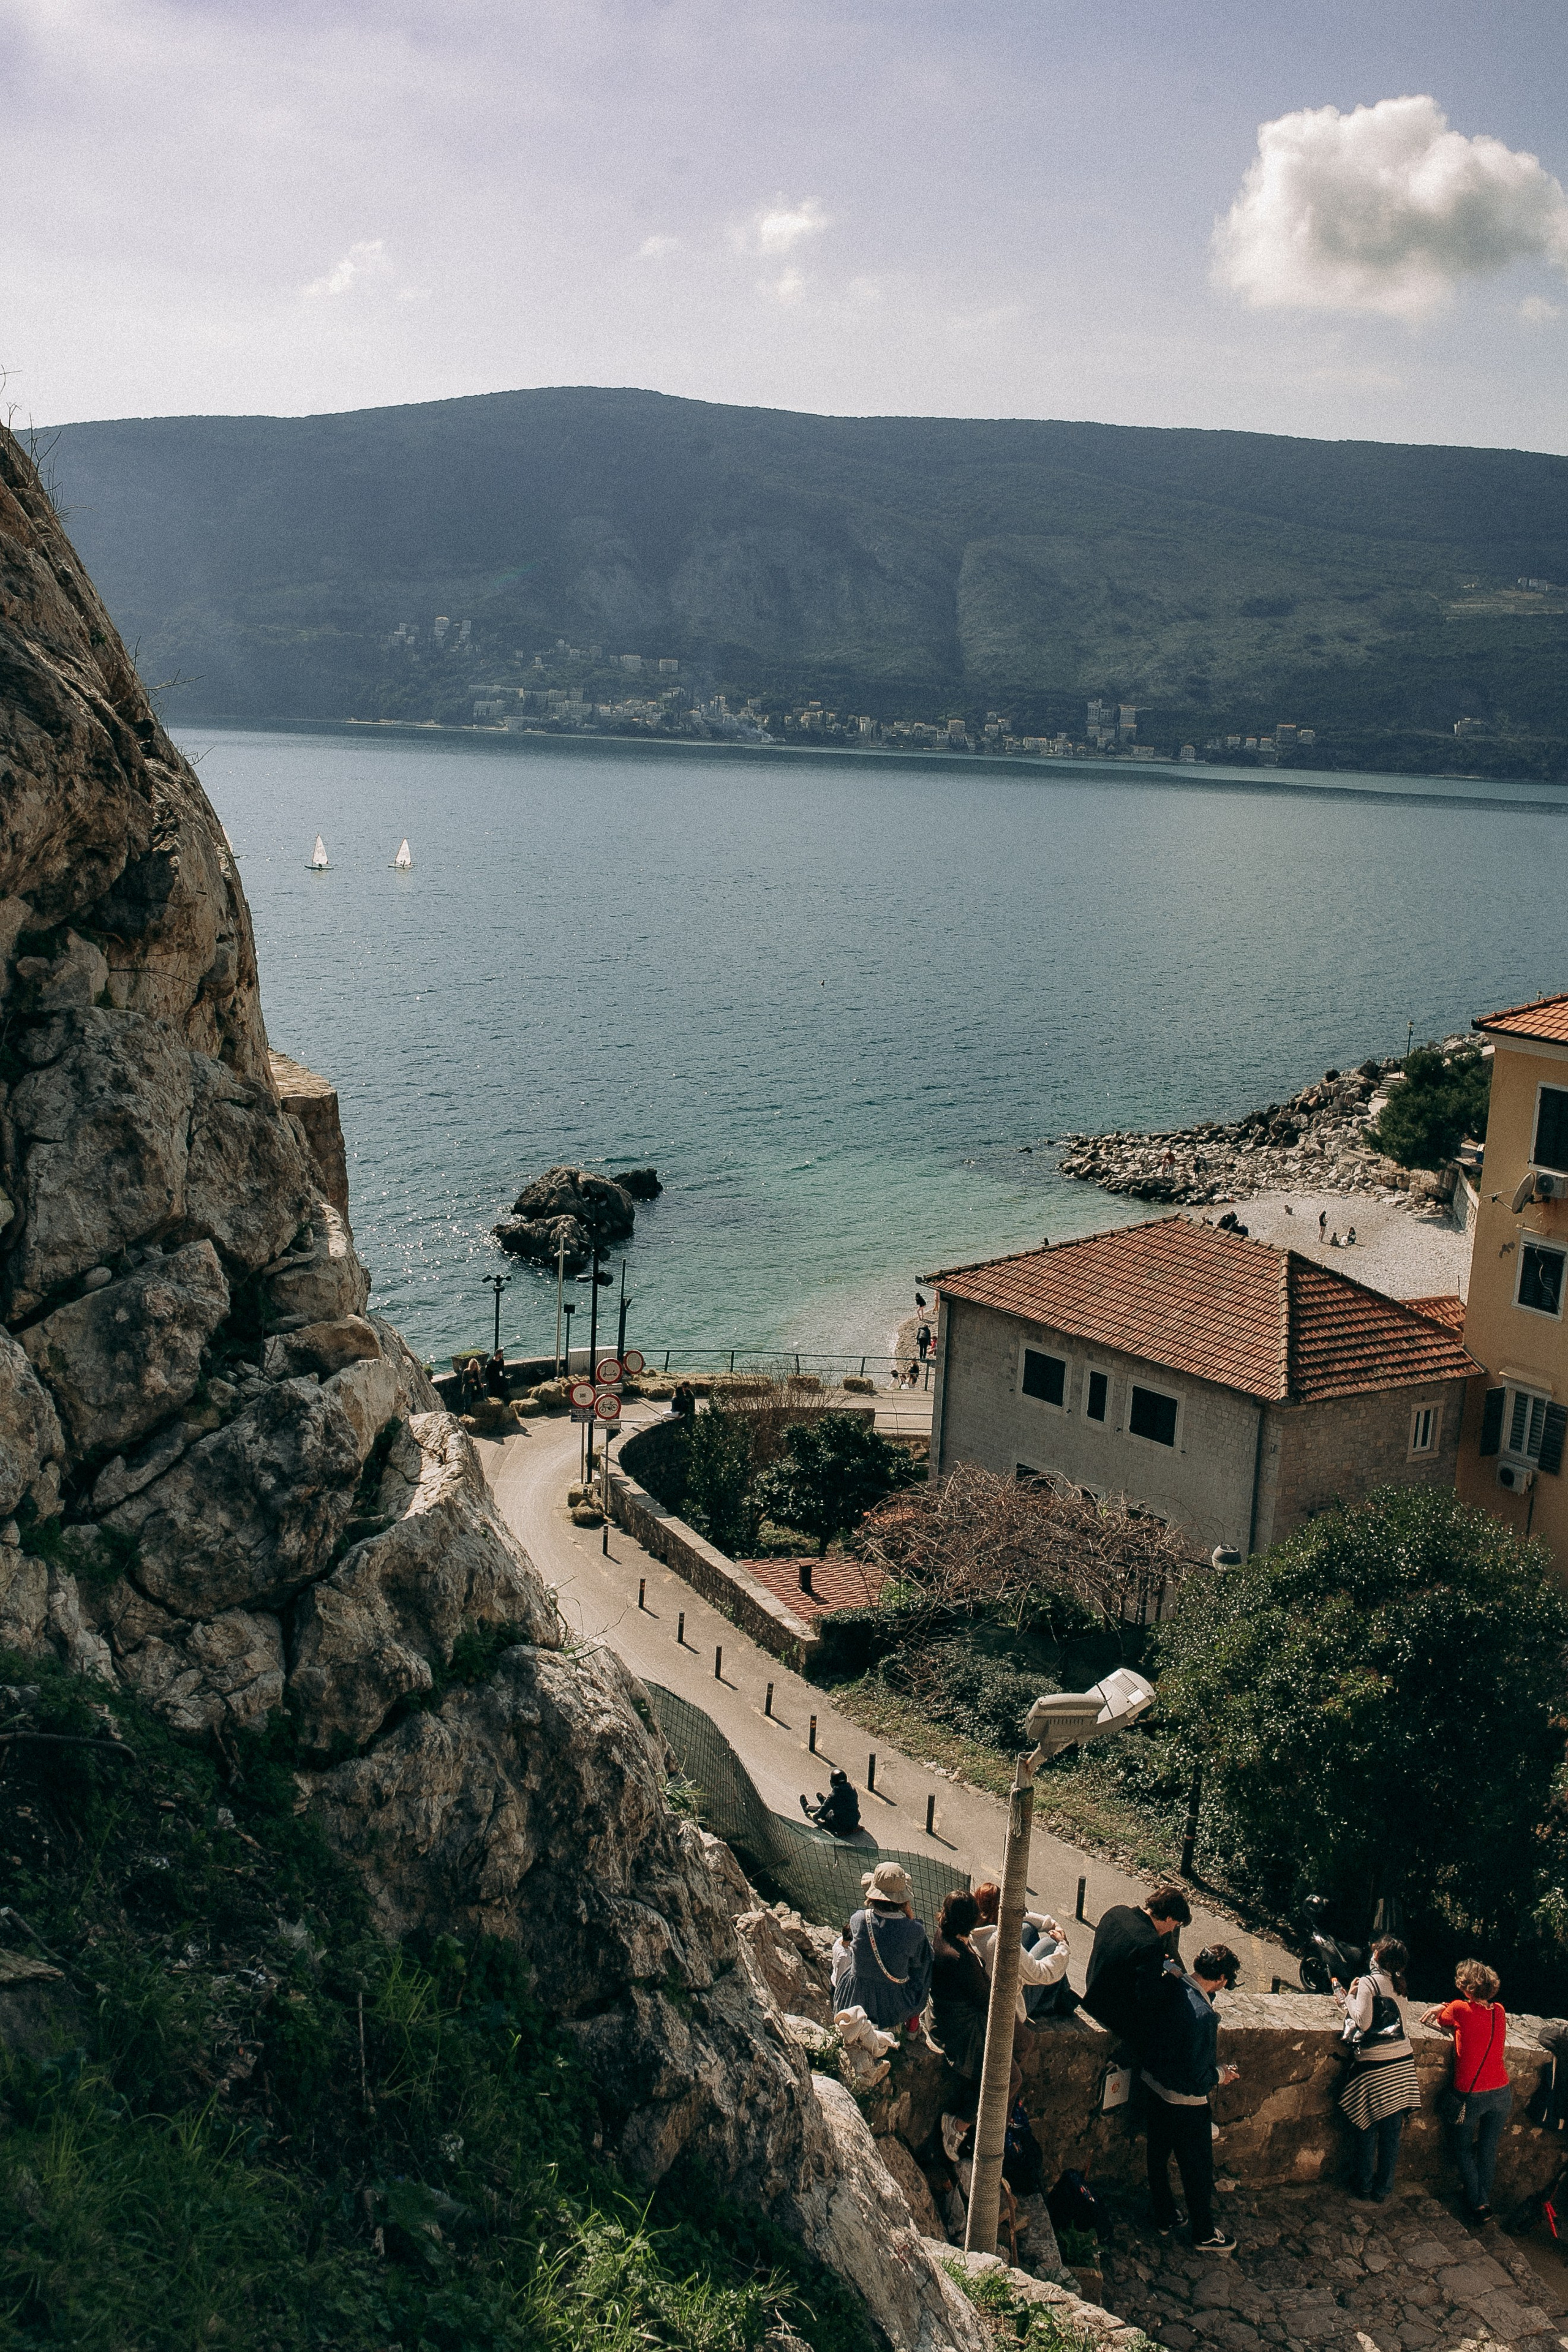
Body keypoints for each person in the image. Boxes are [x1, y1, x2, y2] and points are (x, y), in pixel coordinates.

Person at [1141, 1943, 1241, 2256]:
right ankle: (1204, 2232)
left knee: (1157, 2154)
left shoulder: (1173, 1981)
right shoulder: (1203, 2017)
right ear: (1222, 1979)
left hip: (1152, 2085)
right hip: (1184, 2104)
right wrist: (1222, 2074)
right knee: (1197, 2169)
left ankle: (1165, 2214)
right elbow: (1199, 2079)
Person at [1335, 1935, 1421, 2204]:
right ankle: (1383, 2189)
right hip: (1403, 2063)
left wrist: (1347, 1998)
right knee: (1392, 2133)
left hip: (1376, 2065)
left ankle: (1363, 2184)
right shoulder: (1400, 1985)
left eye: (1374, 1953)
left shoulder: (1369, 1983)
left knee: (1367, 2126)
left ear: (1378, 1959)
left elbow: (1362, 2021)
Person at [1423, 1959, 1512, 2218]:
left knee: (1462, 2148)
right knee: (1487, 2147)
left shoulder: (1460, 2008)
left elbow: (1442, 2018)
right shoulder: (1500, 2011)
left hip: (1471, 2095)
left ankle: (1479, 2204)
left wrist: (1442, 2005)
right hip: (1501, 2091)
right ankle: (1482, 2196)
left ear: (1465, 1987)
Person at [1083, 1883, 1193, 2045]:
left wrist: (1153, 1962)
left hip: (1092, 1991)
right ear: (1169, 1918)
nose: (1172, 1930)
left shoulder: (1117, 1912)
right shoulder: (1150, 1944)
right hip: (1110, 2014)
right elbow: (1148, 1997)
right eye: (1175, 1925)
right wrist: (1171, 1977)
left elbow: (1122, 1953)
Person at [835, 1862, 932, 2032]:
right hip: (892, 2003)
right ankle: (911, 2026)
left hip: (855, 1995)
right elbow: (921, 1965)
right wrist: (911, 1919)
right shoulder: (915, 1931)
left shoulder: (858, 1920)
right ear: (903, 1900)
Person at [970, 1881, 1071, 2022]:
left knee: (1026, 1928)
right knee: (1049, 1944)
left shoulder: (974, 1931)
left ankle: (1063, 1993)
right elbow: (1041, 1973)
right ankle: (1059, 1999)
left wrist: (1051, 1924)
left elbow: (1017, 1918)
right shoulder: (1001, 1943)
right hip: (1013, 2008)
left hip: (989, 1995)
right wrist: (1063, 1945)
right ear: (1001, 1910)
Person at [929, 1889, 993, 2081]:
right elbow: (985, 2001)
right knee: (1015, 2074)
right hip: (961, 2031)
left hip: (939, 2015)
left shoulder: (942, 1935)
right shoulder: (962, 1958)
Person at [799, 1768, 861, 1836]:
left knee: (825, 1811)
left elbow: (822, 1812)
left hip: (840, 1825)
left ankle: (807, 1808)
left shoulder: (834, 1796)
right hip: (854, 1822)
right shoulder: (852, 1790)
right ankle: (825, 1802)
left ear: (831, 1782)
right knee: (835, 1806)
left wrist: (814, 1816)